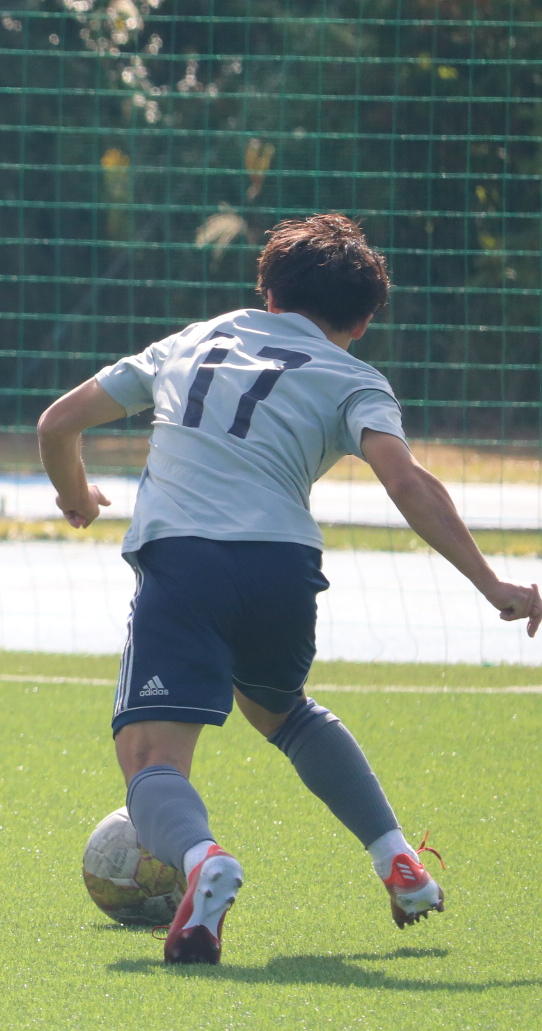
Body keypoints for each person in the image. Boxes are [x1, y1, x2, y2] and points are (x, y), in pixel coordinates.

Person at [37, 213, 541, 965]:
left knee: (149, 757)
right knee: (281, 709)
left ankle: (203, 861)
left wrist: (76, 496)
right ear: (362, 323)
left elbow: (57, 423)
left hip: (185, 562)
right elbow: (406, 480)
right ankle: (396, 858)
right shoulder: (354, 377)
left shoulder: (191, 342)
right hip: (284, 568)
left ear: (267, 292)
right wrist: (491, 582)